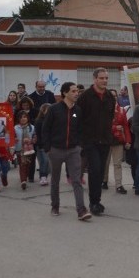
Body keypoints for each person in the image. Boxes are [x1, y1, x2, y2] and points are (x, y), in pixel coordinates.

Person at [42, 82, 91, 221]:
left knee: (76, 180)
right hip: (55, 150)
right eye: (73, 91)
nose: (77, 93)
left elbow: (81, 130)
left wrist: (80, 146)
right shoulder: (54, 109)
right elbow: (45, 129)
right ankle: (55, 206)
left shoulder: (78, 110)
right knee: (55, 180)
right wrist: (48, 148)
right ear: (65, 93)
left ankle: (81, 210)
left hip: (74, 150)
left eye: (77, 91)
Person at [77, 68, 116, 216]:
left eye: (106, 78)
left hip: (105, 141)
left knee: (100, 173)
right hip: (90, 141)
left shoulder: (110, 97)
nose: (105, 81)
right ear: (94, 79)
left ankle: (97, 200)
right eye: (102, 78)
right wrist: (80, 141)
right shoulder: (85, 97)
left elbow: (110, 117)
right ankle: (93, 202)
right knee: (95, 170)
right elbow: (78, 119)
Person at [104, 89, 131, 194]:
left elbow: (126, 127)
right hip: (106, 140)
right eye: (111, 96)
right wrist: (115, 128)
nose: (114, 98)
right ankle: (104, 181)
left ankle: (118, 185)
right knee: (105, 163)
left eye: (115, 96)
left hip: (118, 140)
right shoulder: (103, 110)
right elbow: (101, 126)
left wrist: (128, 140)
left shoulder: (121, 110)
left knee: (117, 164)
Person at [14, 110, 36, 190]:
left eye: (25, 117)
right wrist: (15, 139)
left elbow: (34, 137)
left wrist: (31, 140)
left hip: (29, 150)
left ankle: (25, 177)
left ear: (27, 118)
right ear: (18, 119)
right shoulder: (16, 128)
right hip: (19, 149)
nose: (23, 119)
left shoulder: (32, 127)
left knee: (27, 165)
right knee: (22, 165)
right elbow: (13, 137)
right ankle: (23, 181)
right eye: (21, 117)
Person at [33, 103, 51, 186]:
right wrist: (40, 144)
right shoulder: (39, 121)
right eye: (48, 110)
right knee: (44, 161)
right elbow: (38, 134)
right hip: (41, 145)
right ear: (43, 111)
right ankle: (43, 177)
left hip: (49, 144)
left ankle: (44, 176)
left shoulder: (52, 120)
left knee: (46, 162)